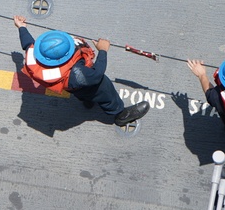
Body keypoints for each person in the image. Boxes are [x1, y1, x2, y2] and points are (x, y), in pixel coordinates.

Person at [14, 16, 149, 127]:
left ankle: (87, 101)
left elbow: (28, 44)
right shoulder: (78, 73)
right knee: (106, 93)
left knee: (83, 94)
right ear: (64, 57)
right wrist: (103, 50)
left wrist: (22, 28)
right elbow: (97, 75)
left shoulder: (35, 58)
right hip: (91, 85)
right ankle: (120, 114)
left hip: (72, 87)